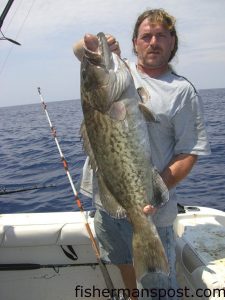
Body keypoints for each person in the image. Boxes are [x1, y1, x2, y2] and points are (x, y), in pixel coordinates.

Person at [73, 9, 211, 300]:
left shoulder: (182, 91)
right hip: (107, 204)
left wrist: (153, 192)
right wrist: (96, 48)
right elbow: (81, 50)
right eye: (146, 36)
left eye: (161, 35)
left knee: (160, 289)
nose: (153, 42)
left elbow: (189, 153)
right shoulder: (121, 73)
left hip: (152, 213)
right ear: (134, 43)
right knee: (122, 261)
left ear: (172, 42)